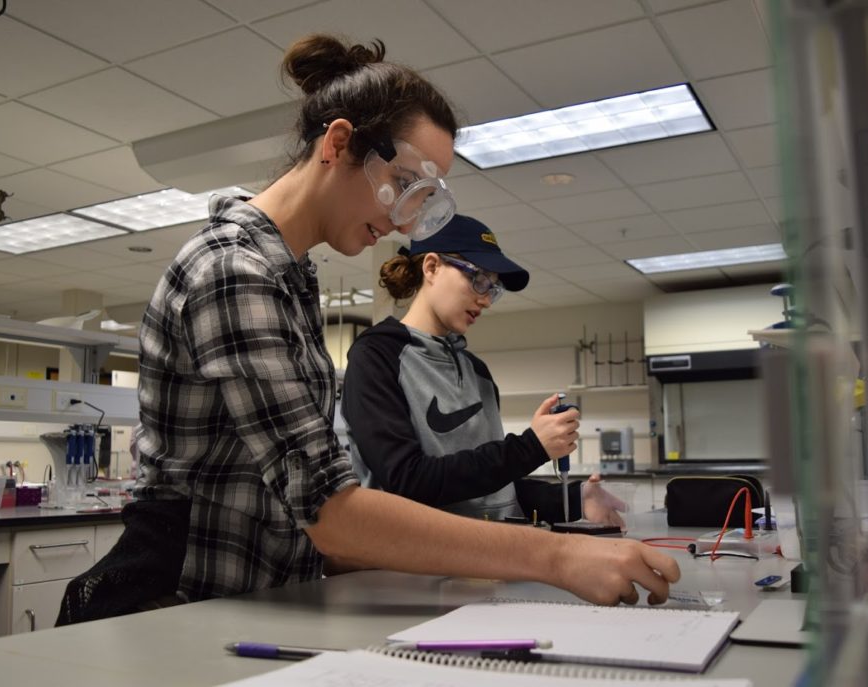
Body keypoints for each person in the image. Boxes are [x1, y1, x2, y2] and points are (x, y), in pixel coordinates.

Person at [57, 33, 678, 625]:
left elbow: (307, 504)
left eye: (428, 196)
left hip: (261, 597)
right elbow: (330, 510)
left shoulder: (291, 278)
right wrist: (559, 556)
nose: (411, 223)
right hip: (178, 603)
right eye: (406, 185)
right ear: (338, 144)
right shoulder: (233, 270)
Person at [342, 214, 627, 527]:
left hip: (487, 562)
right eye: (477, 279)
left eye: (493, 288)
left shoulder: (478, 372)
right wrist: (531, 447)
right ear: (432, 267)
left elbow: (491, 489)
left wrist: (576, 498)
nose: (486, 300)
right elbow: (408, 480)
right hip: (411, 567)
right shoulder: (376, 357)